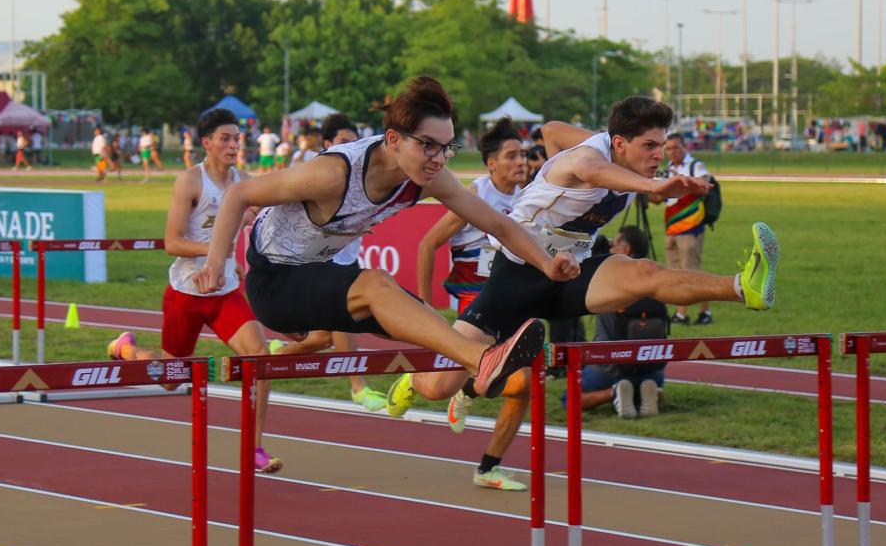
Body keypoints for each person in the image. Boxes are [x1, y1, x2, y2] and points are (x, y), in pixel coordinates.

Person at [192, 76, 580, 418]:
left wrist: (546, 264)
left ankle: (426, 385)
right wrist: (215, 264)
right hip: (274, 281)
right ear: (393, 139)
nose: (438, 159)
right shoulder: (333, 174)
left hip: (317, 276)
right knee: (376, 284)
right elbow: (239, 193)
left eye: (447, 147)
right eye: (428, 145)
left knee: (426, 320)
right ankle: (482, 360)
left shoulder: (428, 177)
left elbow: (496, 222)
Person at [442, 97, 778, 432]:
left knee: (644, 272)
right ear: (619, 143)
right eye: (649, 146)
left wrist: (662, 187)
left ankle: (743, 286)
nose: (658, 155)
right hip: (516, 273)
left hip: (569, 273)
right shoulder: (591, 156)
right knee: (438, 384)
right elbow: (591, 168)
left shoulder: (624, 158)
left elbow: (551, 130)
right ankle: (434, 387)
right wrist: (652, 185)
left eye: (661, 145)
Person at [107, 108, 283, 473]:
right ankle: (126, 348)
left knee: (260, 359)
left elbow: (272, 211)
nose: (235, 144)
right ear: (206, 143)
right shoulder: (190, 181)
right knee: (173, 380)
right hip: (186, 293)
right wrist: (216, 252)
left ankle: (254, 448)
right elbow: (172, 241)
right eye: (226, 138)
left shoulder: (245, 182)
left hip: (224, 293)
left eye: (237, 138)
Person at [416, 116, 529, 491]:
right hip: (474, 296)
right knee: (506, 380)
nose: (520, 163)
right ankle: (416, 379)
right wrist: (425, 306)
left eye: (523, 155)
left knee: (523, 386)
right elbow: (427, 244)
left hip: (512, 299)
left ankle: (488, 466)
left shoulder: (530, 197)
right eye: (511, 156)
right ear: (491, 163)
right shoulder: (475, 196)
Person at [262, 112, 387, 412]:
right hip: (316, 264)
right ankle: (359, 387)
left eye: (355, 143)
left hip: (348, 262)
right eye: (344, 143)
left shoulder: (364, 177)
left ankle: (273, 356)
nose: (351, 149)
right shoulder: (313, 176)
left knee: (322, 339)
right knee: (342, 321)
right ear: (327, 145)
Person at [561, 226, 669, 419]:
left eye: (616, 243)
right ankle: (645, 390)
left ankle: (614, 392)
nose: (611, 245)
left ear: (626, 250)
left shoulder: (611, 279)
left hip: (610, 367)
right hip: (653, 367)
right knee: (645, 379)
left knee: (569, 400)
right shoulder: (656, 279)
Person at [651, 133, 713, 325]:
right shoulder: (667, 169)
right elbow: (658, 199)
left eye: (676, 147)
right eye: (668, 149)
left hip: (690, 225)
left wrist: (682, 182)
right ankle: (688, 314)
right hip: (671, 225)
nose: (672, 152)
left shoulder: (695, 166)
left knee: (691, 271)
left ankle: (695, 313)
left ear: (684, 147)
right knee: (675, 272)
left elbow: (705, 188)